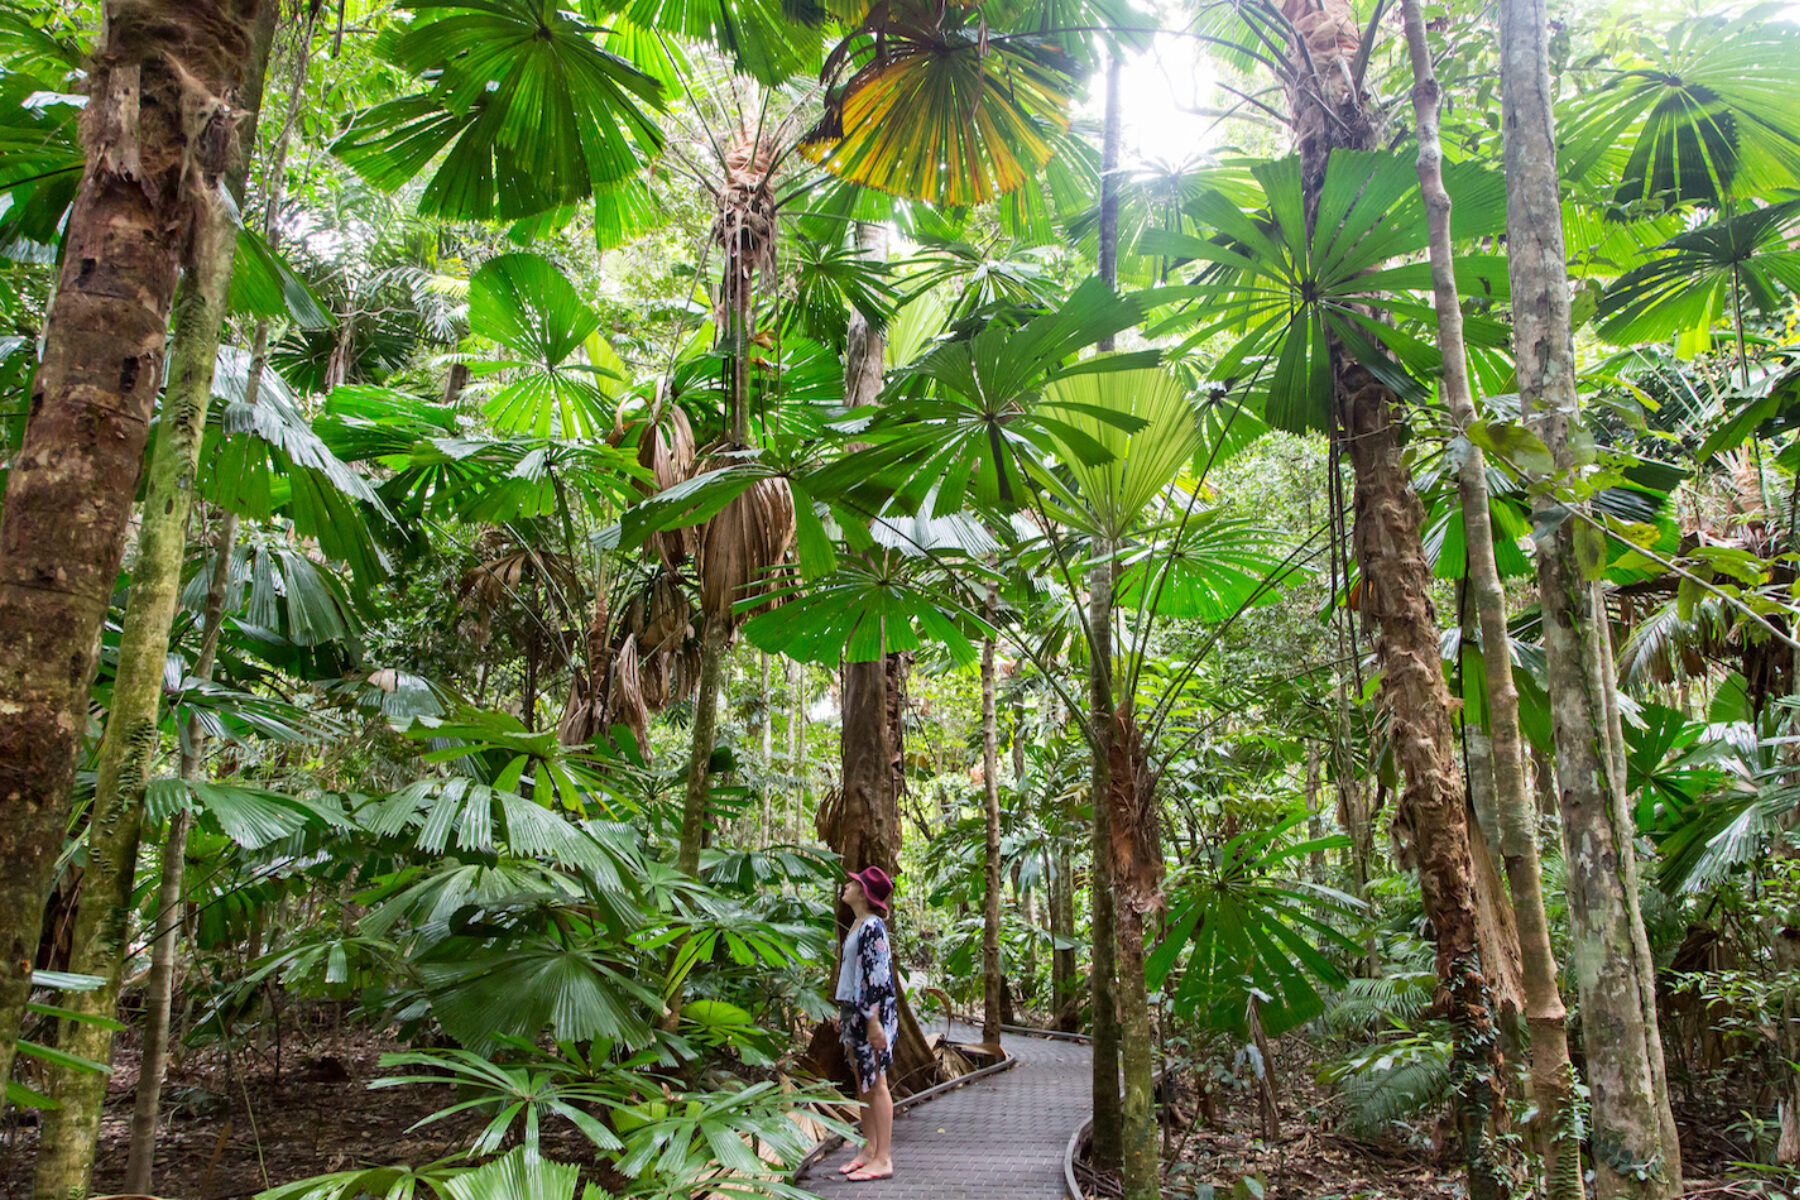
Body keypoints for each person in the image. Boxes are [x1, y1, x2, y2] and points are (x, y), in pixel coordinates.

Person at [834, 865, 899, 1183]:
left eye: (853, 883)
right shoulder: (858, 924)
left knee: (877, 1084)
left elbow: (877, 976)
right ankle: (869, 1148)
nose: (846, 885)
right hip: (854, 1012)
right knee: (864, 1085)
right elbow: (852, 973)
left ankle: (883, 1157)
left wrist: (874, 1022)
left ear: (863, 893)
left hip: (871, 1014)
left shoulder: (873, 926)